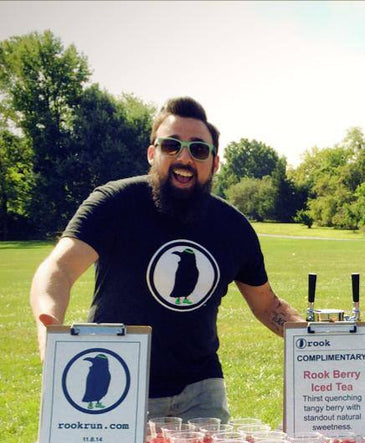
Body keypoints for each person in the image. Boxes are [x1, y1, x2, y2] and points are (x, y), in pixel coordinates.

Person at [30, 97, 303, 422]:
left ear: (215, 162)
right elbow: (59, 269)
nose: (184, 157)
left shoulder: (233, 227)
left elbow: (267, 306)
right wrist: (50, 326)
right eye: (172, 145)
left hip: (201, 393)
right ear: (152, 153)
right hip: (119, 383)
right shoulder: (114, 204)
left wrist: (322, 343)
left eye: (198, 149)